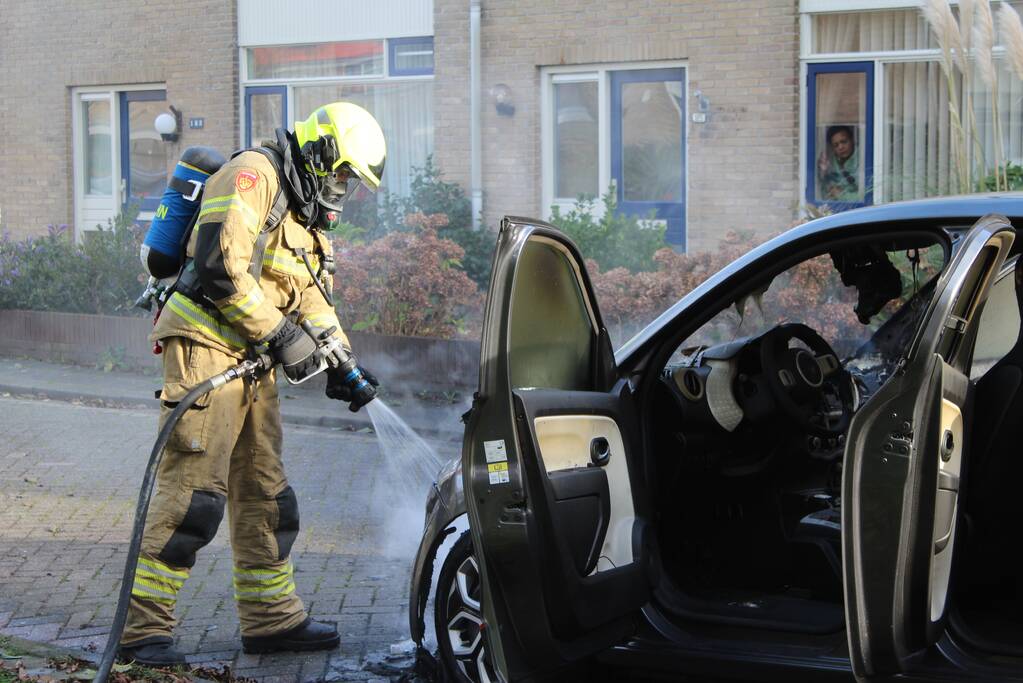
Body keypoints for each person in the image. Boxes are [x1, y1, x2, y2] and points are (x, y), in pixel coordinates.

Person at [118, 102, 386, 665]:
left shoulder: (304, 210)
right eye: (341, 174)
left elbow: (308, 293)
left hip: (251, 361)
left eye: (350, 182)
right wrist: (285, 337)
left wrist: (343, 362)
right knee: (194, 497)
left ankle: (271, 620)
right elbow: (219, 267)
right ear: (319, 151)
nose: (343, 189)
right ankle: (142, 631)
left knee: (267, 494)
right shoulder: (253, 176)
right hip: (205, 351)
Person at [817, 125, 860, 202]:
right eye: (835, 145)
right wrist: (822, 173)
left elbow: (864, 197)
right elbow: (823, 193)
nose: (840, 147)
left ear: (852, 140)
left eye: (844, 142)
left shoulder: (862, 160)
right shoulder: (830, 163)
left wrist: (841, 195)